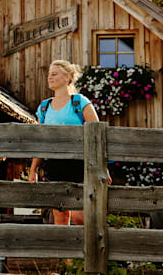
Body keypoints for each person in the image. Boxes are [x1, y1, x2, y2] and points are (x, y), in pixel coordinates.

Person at [28, 59, 101, 226]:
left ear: (67, 78)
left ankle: (88, 251)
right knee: (60, 218)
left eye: (54, 74)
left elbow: (98, 136)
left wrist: (102, 168)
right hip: (54, 166)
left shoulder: (80, 102)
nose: (50, 77)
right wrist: (33, 169)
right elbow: (41, 141)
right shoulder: (44, 107)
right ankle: (64, 253)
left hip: (79, 166)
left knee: (80, 217)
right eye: (48, 75)